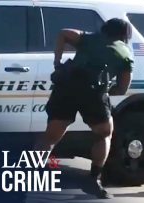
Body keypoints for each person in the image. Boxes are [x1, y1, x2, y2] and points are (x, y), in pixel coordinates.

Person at [36, 18, 134, 199]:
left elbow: (63, 32)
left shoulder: (88, 38)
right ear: (124, 35)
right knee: (104, 133)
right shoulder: (124, 52)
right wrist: (106, 91)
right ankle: (93, 181)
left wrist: (57, 63)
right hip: (94, 94)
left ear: (105, 28)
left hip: (65, 88)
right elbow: (123, 87)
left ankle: (29, 176)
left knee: (51, 136)